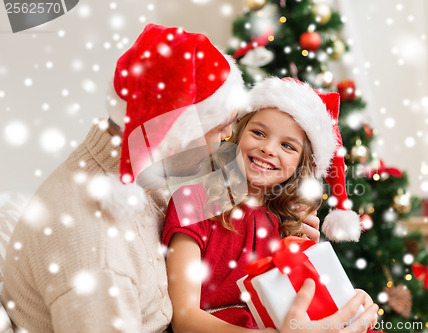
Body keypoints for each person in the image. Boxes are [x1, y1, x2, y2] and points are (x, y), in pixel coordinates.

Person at [0, 25, 320, 333]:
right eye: (219, 126)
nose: (227, 137)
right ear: (177, 130)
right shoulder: (101, 258)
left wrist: (292, 241)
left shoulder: (141, 180)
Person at [163, 77, 378, 333]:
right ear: (238, 133)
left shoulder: (290, 223)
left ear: (301, 164)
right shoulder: (194, 201)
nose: (267, 148)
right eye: (258, 133)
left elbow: (304, 307)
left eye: (287, 145)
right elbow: (184, 320)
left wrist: (351, 302)